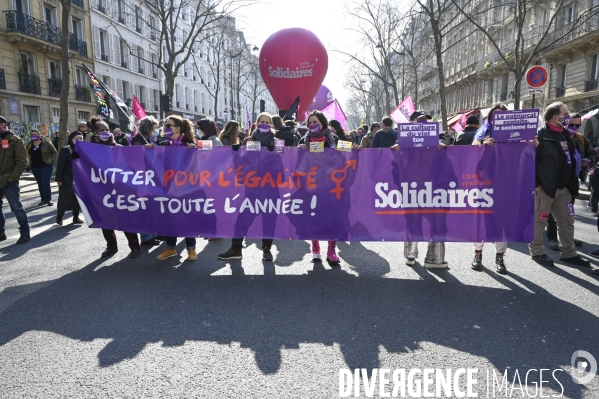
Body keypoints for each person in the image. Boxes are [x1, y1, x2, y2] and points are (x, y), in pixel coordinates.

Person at [529, 102, 590, 267]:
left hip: (564, 188)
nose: (568, 116)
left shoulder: (566, 134)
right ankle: (538, 251)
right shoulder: (540, 136)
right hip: (545, 188)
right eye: (566, 113)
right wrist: (537, 185)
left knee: (567, 221)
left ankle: (568, 253)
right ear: (556, 117)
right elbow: (529, 161)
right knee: (539, 221)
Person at [218, 112, 277, 261]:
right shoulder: (248, 141)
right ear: (256, 124)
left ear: (271, 125)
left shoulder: (277, 142)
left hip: (271, 188)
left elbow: (286, 162)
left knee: (269, 220)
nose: (264, 124)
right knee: (243, 219)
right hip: (253, 189)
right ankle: (235, 249)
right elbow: (240, 163)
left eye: (267, 122)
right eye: (261, 121)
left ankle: (266, 250)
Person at [87, 116, 141, 258]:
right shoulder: (90, 150)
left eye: (107, 130)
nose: (106, 132)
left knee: (125, 219)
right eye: (102, 131)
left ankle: (134, 246)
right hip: (102, 191)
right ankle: (111, 246)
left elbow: (131, 166)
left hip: (120, 190)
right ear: (95, 133)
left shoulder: (119, 148)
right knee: (105, 220)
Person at [401, 110, 449, 268]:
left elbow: (448, 165)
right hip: (413, 189)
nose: (424, 123)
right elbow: (394, 167)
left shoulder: (439, 143)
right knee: (413, 221)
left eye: (426, 121)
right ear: (412, 123)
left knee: (438, 222)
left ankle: (434, 258)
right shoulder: (403, 144)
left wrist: (442, 149)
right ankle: (410, 254)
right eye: (420, 120)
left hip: (435, 190)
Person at [546, 112, 594, 250]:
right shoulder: (555, 138)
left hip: (572, 182)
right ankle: (552, 237)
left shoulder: (581, 139)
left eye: (577, 125)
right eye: (571, 124)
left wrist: (589, 160)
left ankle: (567, 238)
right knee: (550, 211)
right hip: (554, 181)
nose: (574, 127)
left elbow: (592, 153)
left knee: (568, 212)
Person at [299, 110, 340, 264]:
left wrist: (354, 147)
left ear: (322, 123)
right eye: (310, 123)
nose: (312, 125)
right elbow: (295, 159)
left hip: (331, 183)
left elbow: (345, 150)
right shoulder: (304, 139)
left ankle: (331, 251)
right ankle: (315, 248)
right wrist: (301, 148)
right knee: (313, 215)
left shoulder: (333, 138)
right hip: (312, 184)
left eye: (315, 122)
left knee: (331, 218)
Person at [155, 115, 198, 262]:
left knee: (188, 217)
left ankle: (191, 249)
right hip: (168, 188)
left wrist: (194, 150)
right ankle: (170, 248)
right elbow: (156, 162)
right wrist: (150, 150)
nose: (166, 128)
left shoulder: (189, 144)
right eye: (165, 125)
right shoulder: (163, 144)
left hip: (186, 188)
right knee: (170, 218)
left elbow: (201, 163)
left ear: (178, 128)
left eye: (170, 125)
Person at [131, 116, 161, 246]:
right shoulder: (138, 140)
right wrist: (145, 149)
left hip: (151, 177)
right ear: (148, 128)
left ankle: (152, 234)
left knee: (150, 207)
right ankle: (145, 237)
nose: (155, 130)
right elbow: (136, 158)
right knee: (144, 207)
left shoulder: (149, 139)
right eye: (153, 128)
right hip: (142, 178)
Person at [0, 116, 30, 244]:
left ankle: (25, 233)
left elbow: (23, 161)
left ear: (3, 125)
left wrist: (12, 177)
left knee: (17, 208)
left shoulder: (15, 141)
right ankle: (1, 232)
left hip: (9, 180)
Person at [55, 131, 84, 225]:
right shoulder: (66, 150)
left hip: (79, 179)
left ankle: (76, 217)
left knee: (77, 199)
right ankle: (59, 217)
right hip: (67, 178)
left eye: (81, 138)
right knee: (64, 198)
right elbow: (60, 165)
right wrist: (59, 179)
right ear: (72, 139)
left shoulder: (84, 149)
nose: (79, 140)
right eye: (76, 138)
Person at [26, 130, 57, 206]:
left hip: (46, 166)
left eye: (35, 134)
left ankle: (48, 199)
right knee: (40, 183)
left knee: (45, 182)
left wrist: (51, 161)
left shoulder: (46, 143)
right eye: (32, 134)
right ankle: (43, 199)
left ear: (39, 135)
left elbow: (54, 152)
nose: (33, 135)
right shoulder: (30, 145)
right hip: (35, 167)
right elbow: (27, 154)